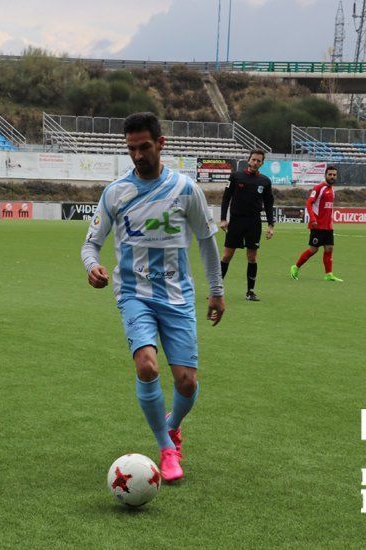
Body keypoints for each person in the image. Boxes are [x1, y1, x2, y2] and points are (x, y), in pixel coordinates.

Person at [81, 112, 225, 483]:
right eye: (131, 148)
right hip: (134, 293)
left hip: (177, 295)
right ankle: (166, 447)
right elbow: (91, 244)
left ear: (161, 144)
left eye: (144, 147)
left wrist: (217, 291)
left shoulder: (185, 189)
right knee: (146, 366)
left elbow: (208, 242)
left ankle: (173, 425)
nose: (138, 155)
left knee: (187, 382)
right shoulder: (115, 192)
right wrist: (92, 266)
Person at [219, 150, 275, 301]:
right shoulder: (236, 176)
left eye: (259, 161)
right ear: (248, 160)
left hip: (254, 222)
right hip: (236, 221)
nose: (255, 163)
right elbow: (226, 198)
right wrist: (223, 219)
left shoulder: (265, 181)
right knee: (226, 256)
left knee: (252, 257)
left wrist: (271, 225)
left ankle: (250, 291)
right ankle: (216, 289)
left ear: (262, 163)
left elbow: (269, 204)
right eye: (253, 160)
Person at [290, 166, 343, 282]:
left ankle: (328, 274)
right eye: (330, 174)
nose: (332, 177)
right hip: (317, 225)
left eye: (334, 175)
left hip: (328, 226)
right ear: (325, 175)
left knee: (329, 248)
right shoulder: (319, 188)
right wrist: (313, 219)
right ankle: (296, 267)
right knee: (313, 250)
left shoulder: (332, 190)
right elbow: (309, 203)